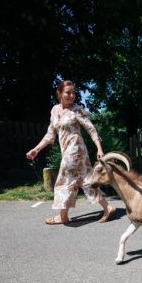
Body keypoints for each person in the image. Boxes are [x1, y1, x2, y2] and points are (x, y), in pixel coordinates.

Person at [26, 80, 115, 225]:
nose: (72, 95)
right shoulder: (55, 110)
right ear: (59, 93)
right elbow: (50, 134)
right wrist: (36, 149)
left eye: (74, 93)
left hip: (75, 151)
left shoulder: (77, 110)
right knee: (85, 181)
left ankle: (63, 216)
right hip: (68, 151)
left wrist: (99, 148)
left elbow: (91, 130)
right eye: (68, 92)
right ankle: (108, 207)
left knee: (64, 181)